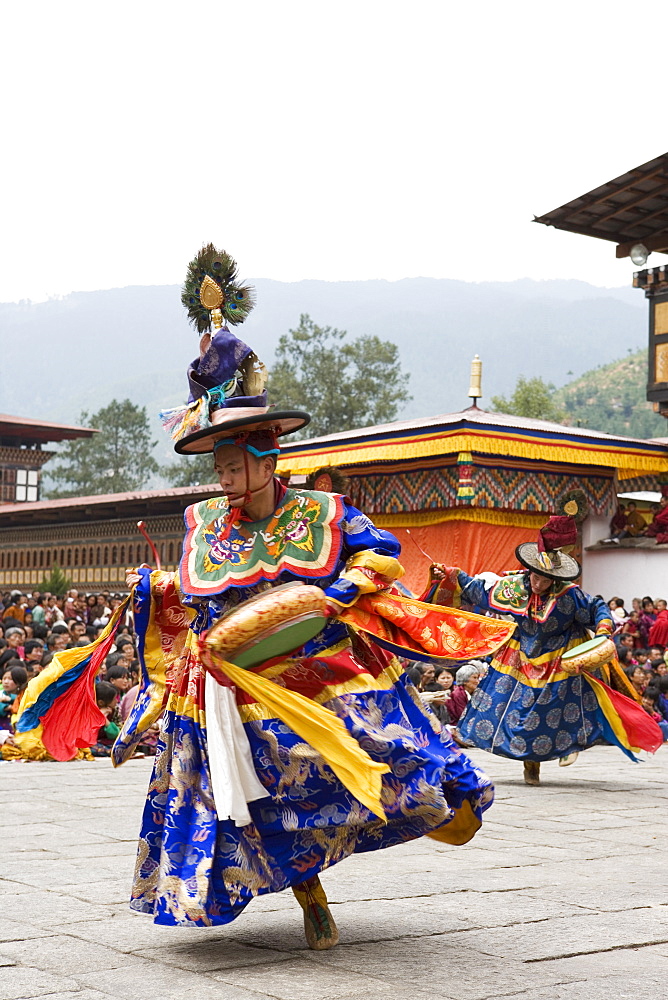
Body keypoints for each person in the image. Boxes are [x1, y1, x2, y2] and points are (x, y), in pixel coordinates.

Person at [13, 247, 514, 950]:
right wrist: (158, 593)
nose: (222, 479)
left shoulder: (320, 513)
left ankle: (430, 809)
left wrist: (342, 588)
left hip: (317, 665)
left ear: (267, 456)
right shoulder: (205, 525)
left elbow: (380, 553)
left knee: (387, 760)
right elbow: (193, 598)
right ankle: (308, 895)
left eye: (232, 464)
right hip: (229, 682)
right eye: (215, 465)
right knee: (246, 794)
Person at [422, 495, 663, 786]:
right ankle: (529, 762)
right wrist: (450, 574)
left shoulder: (570, 595)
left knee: (553, 712)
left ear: (555, 578)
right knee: (507, 708)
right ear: (529, 570)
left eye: (546, 578)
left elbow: (597, 607)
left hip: (559, 657)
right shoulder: (512, 587)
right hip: (520, 655)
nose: (539, 582)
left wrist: (602, 630)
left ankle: (563, 749)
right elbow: (475, 589)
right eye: (536, 575)